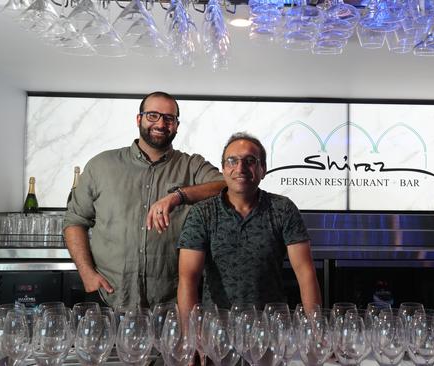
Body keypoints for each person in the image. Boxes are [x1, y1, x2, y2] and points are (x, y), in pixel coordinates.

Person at [64, 91, 226, 308]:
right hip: (110, 298)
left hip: (172, 305)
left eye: (169, 118)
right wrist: (86, 273)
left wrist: (179, 196)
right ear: (139, 119)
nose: (160, 123)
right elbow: (75, 221)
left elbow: (228, 185)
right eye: (152, 115)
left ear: (177, 125)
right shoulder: (101, 165)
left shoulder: (192, 166)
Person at [177, 132, 322, 319]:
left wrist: (316, 332)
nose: (240, 168)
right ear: (222, 169)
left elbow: (305, 273)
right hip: (215, 333)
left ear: (263, 169)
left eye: (250, 160)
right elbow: (188, 279)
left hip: (271, 331)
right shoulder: (202, 213)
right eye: (232, 161)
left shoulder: (283, 209)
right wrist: (190, 338)